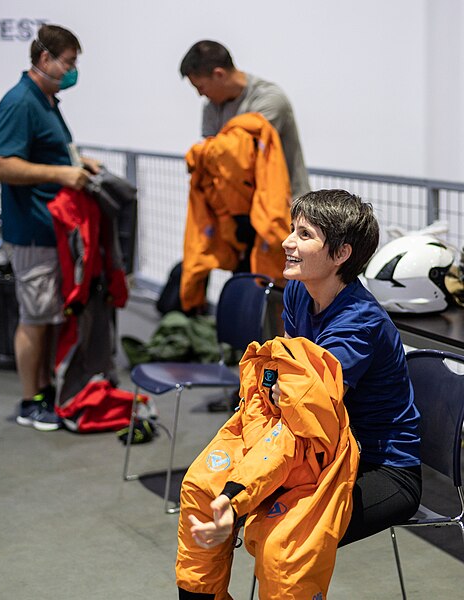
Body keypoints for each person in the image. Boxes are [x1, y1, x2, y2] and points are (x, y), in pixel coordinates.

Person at [176, 189, 421, 598]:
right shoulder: (298, 290)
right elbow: (279, 400)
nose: (288, 241)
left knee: (280, 542)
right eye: (293, 229)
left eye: (304, 234)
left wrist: (240, 498)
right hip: (314, 449)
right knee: (202, 491)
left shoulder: (359, 326)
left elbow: (301, 414)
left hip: (379, 466)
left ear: (341, 254)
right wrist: (232, 488)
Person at [0, 24, 101, 431]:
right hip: (32, 231)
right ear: (45, 59)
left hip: (52, 229)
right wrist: (62, 174)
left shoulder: (47, 101)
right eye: (68, 62)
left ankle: (45, 389)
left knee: (50, 315)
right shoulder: (21, 102)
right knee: (34, 317)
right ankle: (28, 400)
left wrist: (77, 165)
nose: (72, 70)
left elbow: (50, 151)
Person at [179, 40, 310, 199]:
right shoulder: (212, 106)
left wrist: (211, 153)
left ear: (219, 74)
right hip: (237, 207)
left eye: (201, 87)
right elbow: (211, 159)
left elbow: (243, 156)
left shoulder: (269, 99)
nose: (200, 94)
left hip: (284, 206)